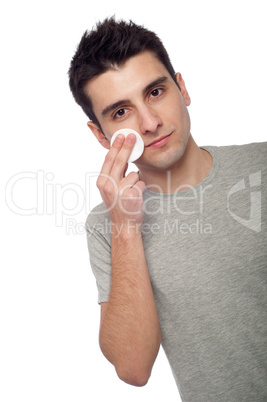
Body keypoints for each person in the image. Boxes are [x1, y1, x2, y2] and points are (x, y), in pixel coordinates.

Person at [68, 17, 267, 401]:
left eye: (156, 92)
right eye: (120, 112)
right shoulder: (105, 225)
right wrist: (124, 226)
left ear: (182, 88)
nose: (151, 123)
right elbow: (133, 367)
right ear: (100, 134)